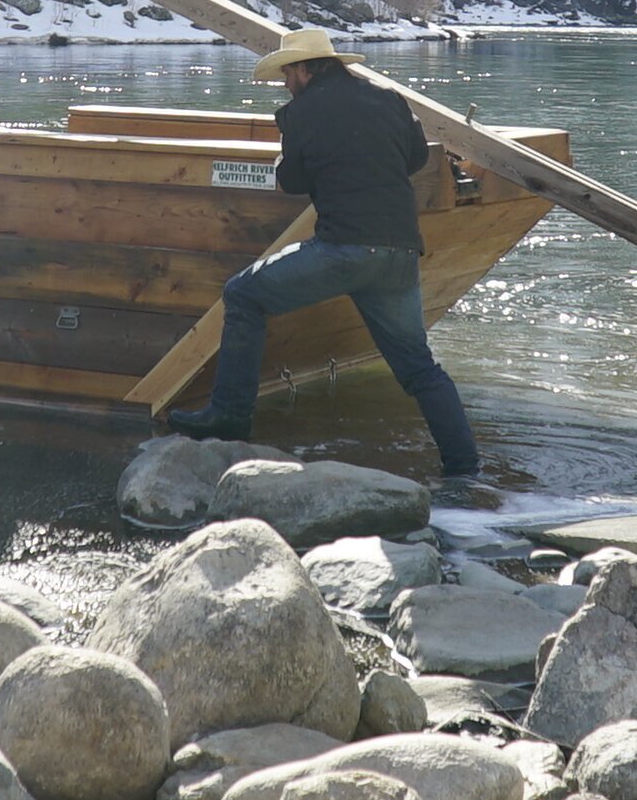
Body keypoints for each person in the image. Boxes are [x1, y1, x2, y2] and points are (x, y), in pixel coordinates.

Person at [166, 28, 482, 478]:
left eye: (285, 74)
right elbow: (414, 158)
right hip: (399, 252)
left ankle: (230, 416)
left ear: (302, 69)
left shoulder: (302, 112)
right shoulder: (388, 97)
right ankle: (464, 465)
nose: (283, 83)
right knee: (418, 368)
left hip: (344, 249)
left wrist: (290, 153)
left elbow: (291, 182)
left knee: (243, 294)